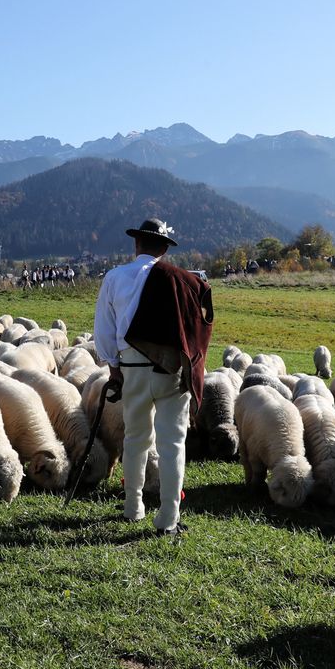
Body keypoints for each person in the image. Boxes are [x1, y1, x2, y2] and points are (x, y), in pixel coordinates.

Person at [93, 218, 214, 536]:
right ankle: (169, 518)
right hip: (171, 369)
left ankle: (133, 507)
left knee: (135, 438)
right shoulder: (182, 280)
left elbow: (104, 328)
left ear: (137, 244)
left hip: (131, 369)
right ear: (165, 249)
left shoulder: (115, 277)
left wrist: (114, 369)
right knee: (172, 442)